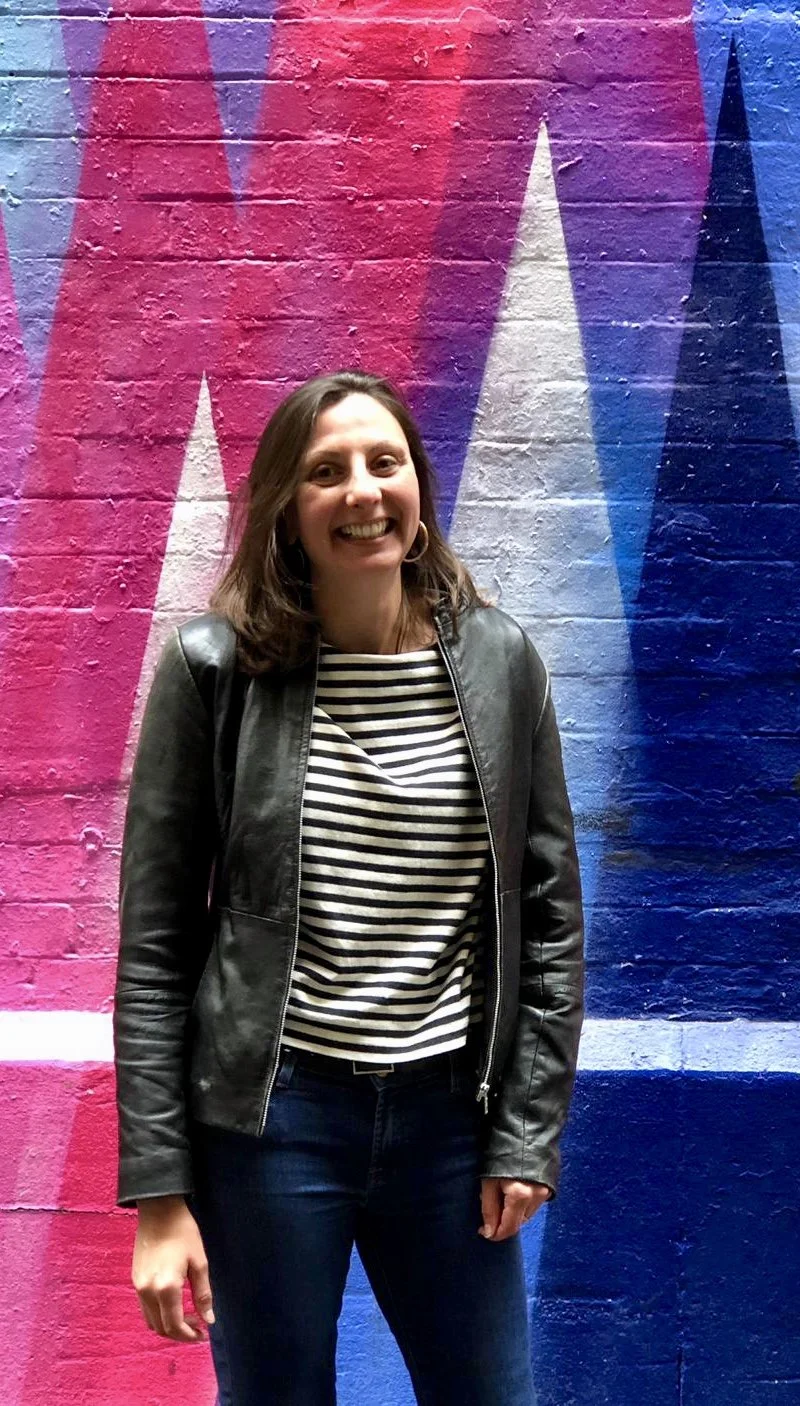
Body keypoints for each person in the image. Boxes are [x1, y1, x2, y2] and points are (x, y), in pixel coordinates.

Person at [113, 369, 585, 1405]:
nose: (363, 491)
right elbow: (154, 949)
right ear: (286, 506)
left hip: (449, 1122)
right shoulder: (214, 671)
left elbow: (550, 920)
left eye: (384, 462)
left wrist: (525, 1130)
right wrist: (159, 1192)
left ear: (418, 488)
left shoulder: (502, 663)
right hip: (272, 1121)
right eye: (325, 472)